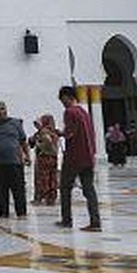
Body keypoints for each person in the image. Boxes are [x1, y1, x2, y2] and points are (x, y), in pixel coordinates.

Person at [56, 85, 101, 232]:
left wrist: (60, 133)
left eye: (63, 100)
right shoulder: (83, 112)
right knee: (89, 189)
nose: (63, 103)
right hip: (88, 157)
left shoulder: (70, 112)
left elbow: (70, 133)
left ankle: (66, 219)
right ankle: (95, 221)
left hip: (74, 157)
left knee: (65, 188)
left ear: (68, 97)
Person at [0, 101, 30, 218]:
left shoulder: (15, 124)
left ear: (6, 110)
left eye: (2, 109)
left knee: (18, 188)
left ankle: (21, 212)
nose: (0, 112)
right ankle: (3, 212)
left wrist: (27, 156)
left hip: (15, 162)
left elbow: (23, 141)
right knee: (1, 189)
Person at [33, 114, 59, 206]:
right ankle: (52, 197)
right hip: (53, 158)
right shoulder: (54, 132)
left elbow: (47, 141)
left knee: (43, 177)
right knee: (53, 178)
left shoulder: (44, 132)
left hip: (44, 158)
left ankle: (43, 197)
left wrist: (38, 144)